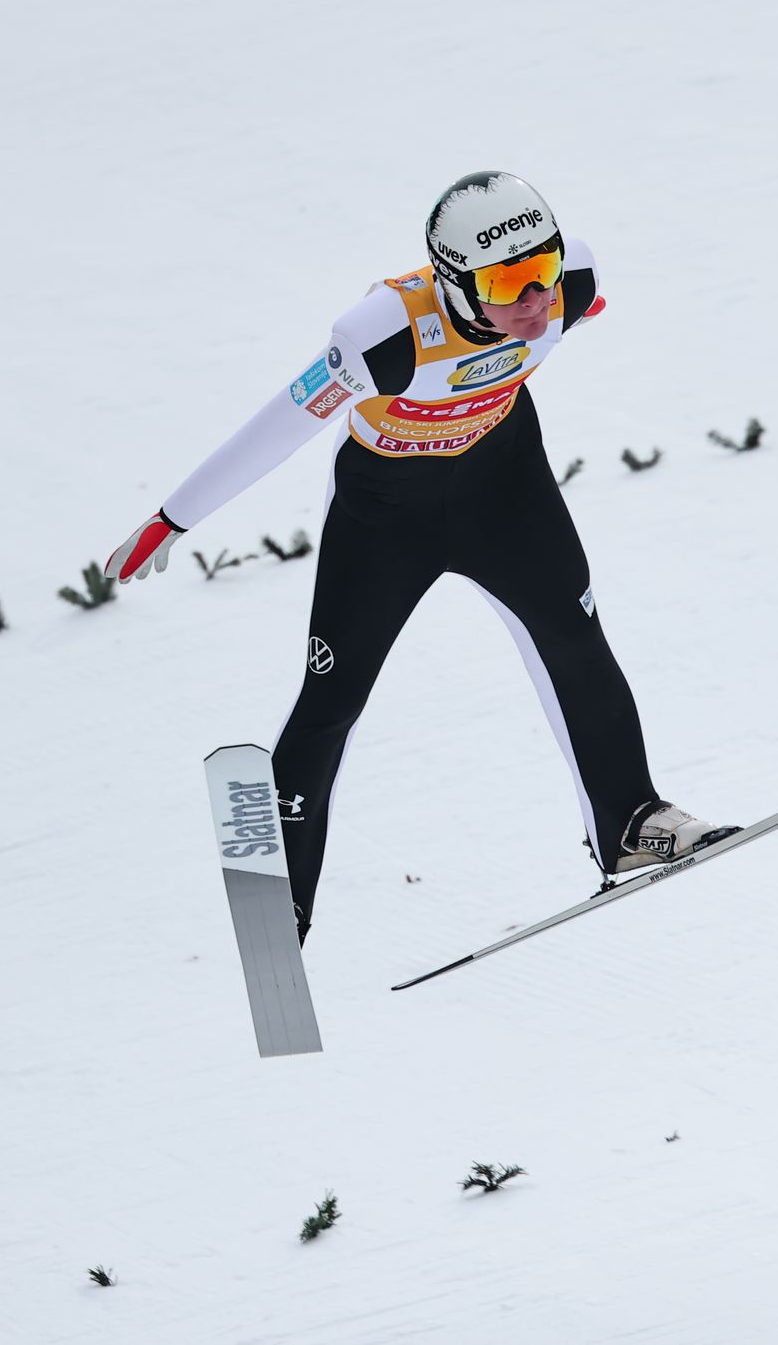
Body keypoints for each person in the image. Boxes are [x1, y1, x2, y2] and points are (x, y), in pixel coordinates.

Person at [107, 171, 732, 945]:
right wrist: (173, 517)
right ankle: (279, 898)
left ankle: (631, 821)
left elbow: (566, 296)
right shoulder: (384, 336)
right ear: (455, 283)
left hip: (505, 491)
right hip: (386, 518)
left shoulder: (572, 283)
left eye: (543, 270)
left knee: (575, 641)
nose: (535, 300)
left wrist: (561, 293)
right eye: (506, 283)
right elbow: (281, 425)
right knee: (331, 700)